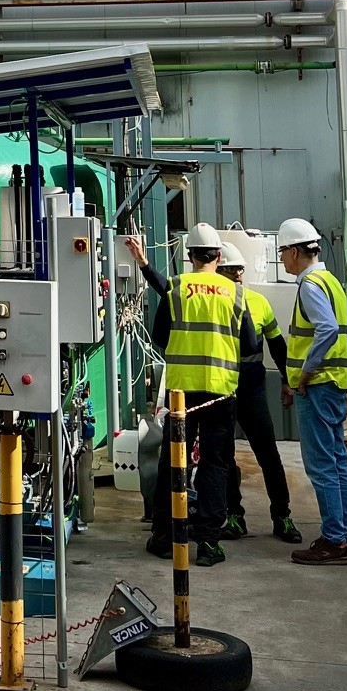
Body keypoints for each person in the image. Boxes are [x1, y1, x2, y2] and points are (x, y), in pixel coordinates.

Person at [140, 221, 244, 568]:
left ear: (190, 257)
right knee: (216, 464)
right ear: (217, 255)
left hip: (182, 394)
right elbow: (251, 345)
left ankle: (165, 536)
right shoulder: (236, 293)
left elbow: (158, 337)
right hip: (221, 392)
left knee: (174, 463)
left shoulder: (175, 288)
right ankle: (210, 543)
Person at [277, 218, 347, 567]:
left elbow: (327, 328)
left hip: (317, 386)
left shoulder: (310, 285)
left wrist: (309, 370)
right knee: (337, 460)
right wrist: (337, 361)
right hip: (336, 384)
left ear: (295, 251)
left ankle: (334, 541)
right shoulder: (331, 281)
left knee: (321, 464)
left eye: (282, 251)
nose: (281, 258)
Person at [214, 242, 302, 544]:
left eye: (238, 270)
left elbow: (277, 345)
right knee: (231, 457)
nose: (237, 275)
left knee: (261, 455)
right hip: (228, 389)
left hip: (242, 389)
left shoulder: (256, 302)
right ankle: (242, 517)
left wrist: (288, 380)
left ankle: (278, 515)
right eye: (233, 270)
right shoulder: (215, 302)